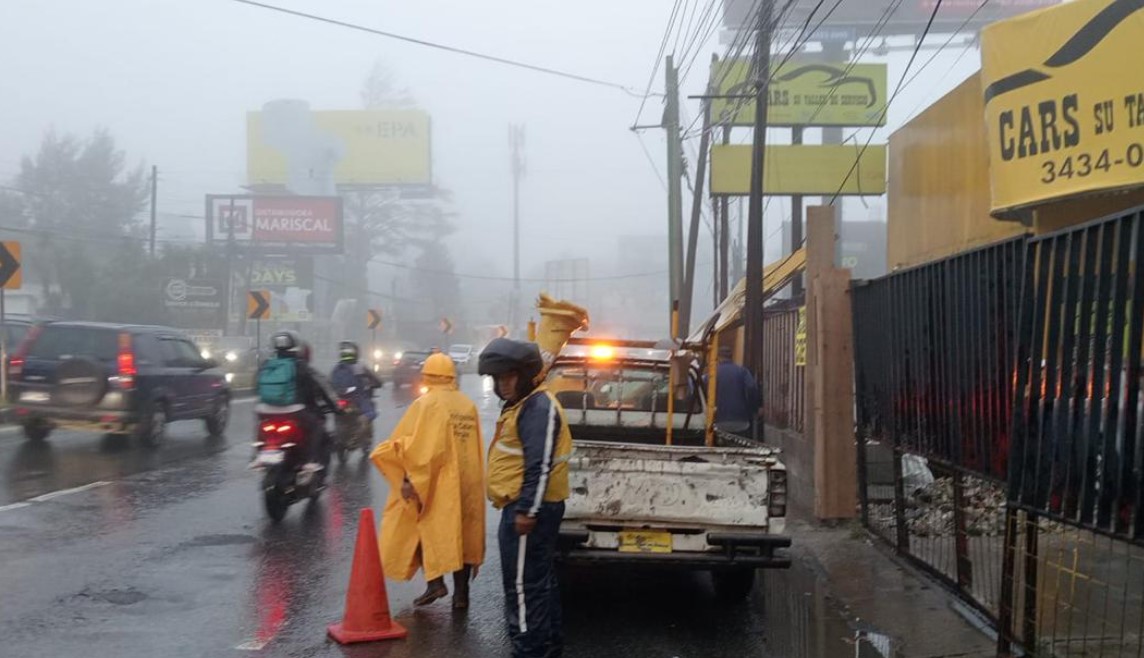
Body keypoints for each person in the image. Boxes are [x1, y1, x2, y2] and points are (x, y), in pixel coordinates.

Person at [479, 338, 572, 658]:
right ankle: (548, 646)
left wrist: (526, 510)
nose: (503, 384)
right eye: (498, 378)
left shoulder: (537, 406)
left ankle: (529, 650)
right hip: (529, 507)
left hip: (529, 509)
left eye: (509, 377)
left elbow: (539, 462)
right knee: (540, 582)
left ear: (527, 375)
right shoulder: (525, 403)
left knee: (522, 588)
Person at [371, 353, 486, 609]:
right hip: (468, 481)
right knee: (464, 534)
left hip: (439, 481)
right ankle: (461, 595)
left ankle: (435, 583)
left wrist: (407, 477)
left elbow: (420, 450)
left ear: (427, 375)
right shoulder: (467, 405)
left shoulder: (427, 403)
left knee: (425, 528)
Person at [258, 331, 341, 473]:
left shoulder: (267, 365)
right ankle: (310, 461)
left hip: (266, 409)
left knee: (261, 425)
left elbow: (257, 387)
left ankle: (257, 456)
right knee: (318, 429)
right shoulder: (301, 367)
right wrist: (336, 408)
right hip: (294, 411)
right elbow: (323, 388)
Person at [329, 340, 382, 423]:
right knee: (371, 412)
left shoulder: (337, 368)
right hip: (357, 398)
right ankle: (364, 420)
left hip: (341, 400)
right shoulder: (360, 367)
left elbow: (331, 384)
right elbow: (376, 380)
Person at [713, 345, 760, 436]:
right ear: (732, 356)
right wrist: (753, 408)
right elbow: (751, 387)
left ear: (718, 357)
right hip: (741, 419)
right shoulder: (742, 371)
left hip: (720, 420)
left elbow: (703, 388)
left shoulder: (713, 373)